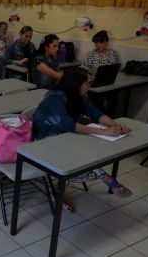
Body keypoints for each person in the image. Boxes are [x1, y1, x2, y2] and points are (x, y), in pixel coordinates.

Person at [32, 70, 133, 212]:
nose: (89, 87)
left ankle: (64, 185)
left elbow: (94, 113)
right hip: (45, 140)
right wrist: (103, 131)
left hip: (65, 136)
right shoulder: (55, 97)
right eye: (86, 83)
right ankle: (61, 189)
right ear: (74, 84)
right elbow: (67, 124)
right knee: (79, 159)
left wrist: (115, 125)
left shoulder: (78, 96)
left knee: (88, 155)